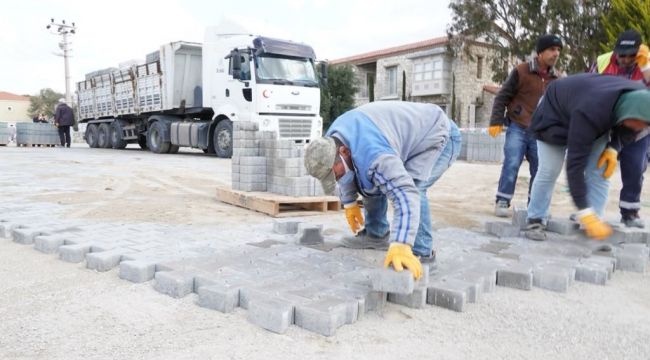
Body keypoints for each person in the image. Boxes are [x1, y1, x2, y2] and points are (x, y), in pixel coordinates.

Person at [304, 101, 462, 279]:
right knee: (368, 179)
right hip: (395, 136)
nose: (335, 179)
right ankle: (376, 234)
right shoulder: (330, 142)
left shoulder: (374, 155)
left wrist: (401, 242)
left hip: (438, 134)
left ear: (344, 152)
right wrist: (348, 202)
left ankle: (422, 254)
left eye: (334, 175)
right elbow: (347, 172)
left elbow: (404, 193)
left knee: (414, 187)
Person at [525, 73, 650, 241]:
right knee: (550, 169)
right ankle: (536, 218)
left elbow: (631, 129)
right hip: (554, 114)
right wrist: (583, 209)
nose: (641, 128)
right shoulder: (591, 111)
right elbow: (575, 166)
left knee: (600, 170)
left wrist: (614, 148)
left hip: (591, 111)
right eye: (639, 124)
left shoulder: (640, 99)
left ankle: (593, 223)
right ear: (627, 114)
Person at [488, 34, 563, 217]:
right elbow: (502, 96)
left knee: (540, 169)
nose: (556, 54)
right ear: (540, 52)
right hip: (518, 127)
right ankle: (503, 201)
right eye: (552, 49)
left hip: (540, 133)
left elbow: (560, 106)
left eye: (559, 50)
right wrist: (496, 121)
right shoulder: (521, 71)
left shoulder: (557, 79)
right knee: (512, 163)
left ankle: (535, 206)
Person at [590, 29, 650, 228]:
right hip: (606, 123)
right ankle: (590, 209)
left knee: (634, 166)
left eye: (630, 55)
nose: (624, 59)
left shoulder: (647, 65)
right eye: (621, 54)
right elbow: (587, 87)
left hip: (636, 127)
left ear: (639, 51)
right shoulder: (602, 61)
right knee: (596, 166)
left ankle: (629, 212)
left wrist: (647, 69)